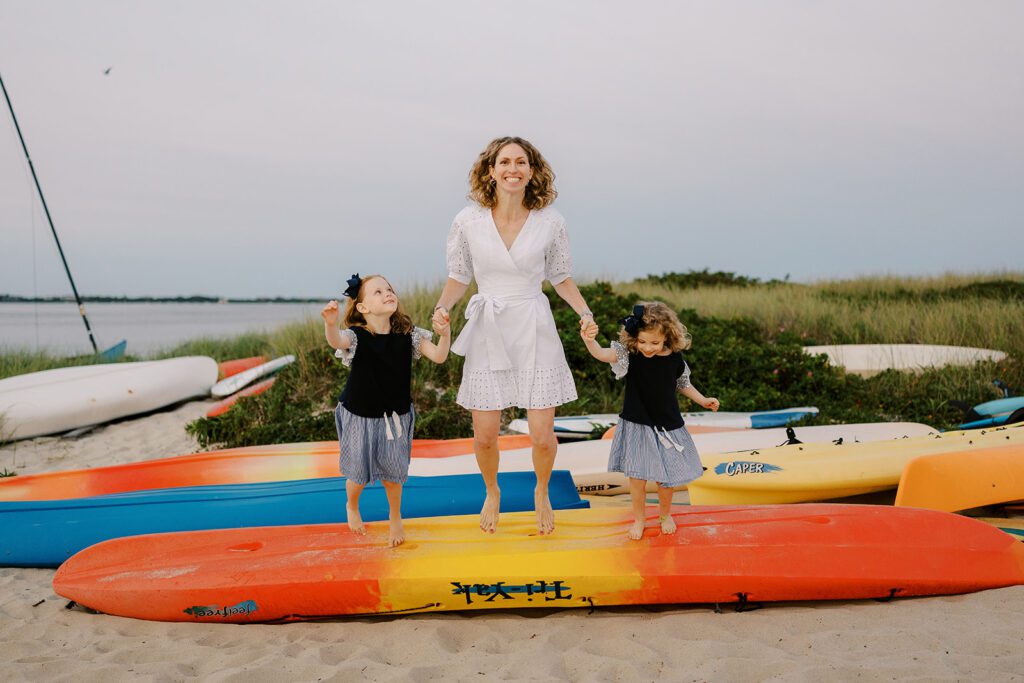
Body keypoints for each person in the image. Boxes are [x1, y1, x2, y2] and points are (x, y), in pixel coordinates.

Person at [431, 136, 592, 535]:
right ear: (491, 171)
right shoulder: (466, 221)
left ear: (531, 171)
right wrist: (442, 308)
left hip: (534, 326)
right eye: (504, 162)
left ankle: (541, 490)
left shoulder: (551, 222)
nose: (513, 169)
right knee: (485, 437)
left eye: (521, 162)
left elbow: (560, 276)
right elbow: (459, 276)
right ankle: (492, 490)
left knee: (542, 437)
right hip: (488, 326)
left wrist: (585, 313)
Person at [322, 273, 451, 547]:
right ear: (362, 308)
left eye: (389, 289)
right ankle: (352, 505)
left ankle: (395, 517)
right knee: (357, 475)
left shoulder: (409, 335)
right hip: (359, 415)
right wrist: (330, 324)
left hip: (395, 417)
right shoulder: (357, 337)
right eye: (378, 292)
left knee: (393, 476)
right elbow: (336, 341)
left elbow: (439, 357)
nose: (387, 293)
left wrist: (445, 334)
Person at [581, 302, 720, 540]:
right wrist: (588, 340)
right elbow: (602, 354)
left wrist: (703, 400)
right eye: (642, 341)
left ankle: (665, 515)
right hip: (638, 424)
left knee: (666, 480)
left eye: (654, 343)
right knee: (637, 480)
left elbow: (682, 384)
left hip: (668, 426)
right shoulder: (629, 354)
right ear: (635, 338)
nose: (647, 347)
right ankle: (639, 518)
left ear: (668, 336)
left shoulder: (675, 359)